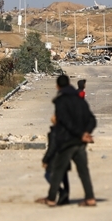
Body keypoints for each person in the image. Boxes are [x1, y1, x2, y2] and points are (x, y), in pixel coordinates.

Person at [40, 74, 97, 207]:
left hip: (67, 141)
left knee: (58, 171)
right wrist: (86, 132)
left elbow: (65, 122)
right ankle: (90, 198)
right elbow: (92, 119)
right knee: (83, 171)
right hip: (80, 143)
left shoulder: (61, 101)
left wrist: (80, 134)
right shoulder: (80, 100)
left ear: (57, 86)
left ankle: (51, 198)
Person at [42, 122, 71, 205]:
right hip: (66, 157)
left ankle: (61, 192)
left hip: (56, 159)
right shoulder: (67, 132)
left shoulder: (54, 132)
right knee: (65, 178)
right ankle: (65, 198)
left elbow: (52, 148)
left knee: (48, 176)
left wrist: (45, 159)